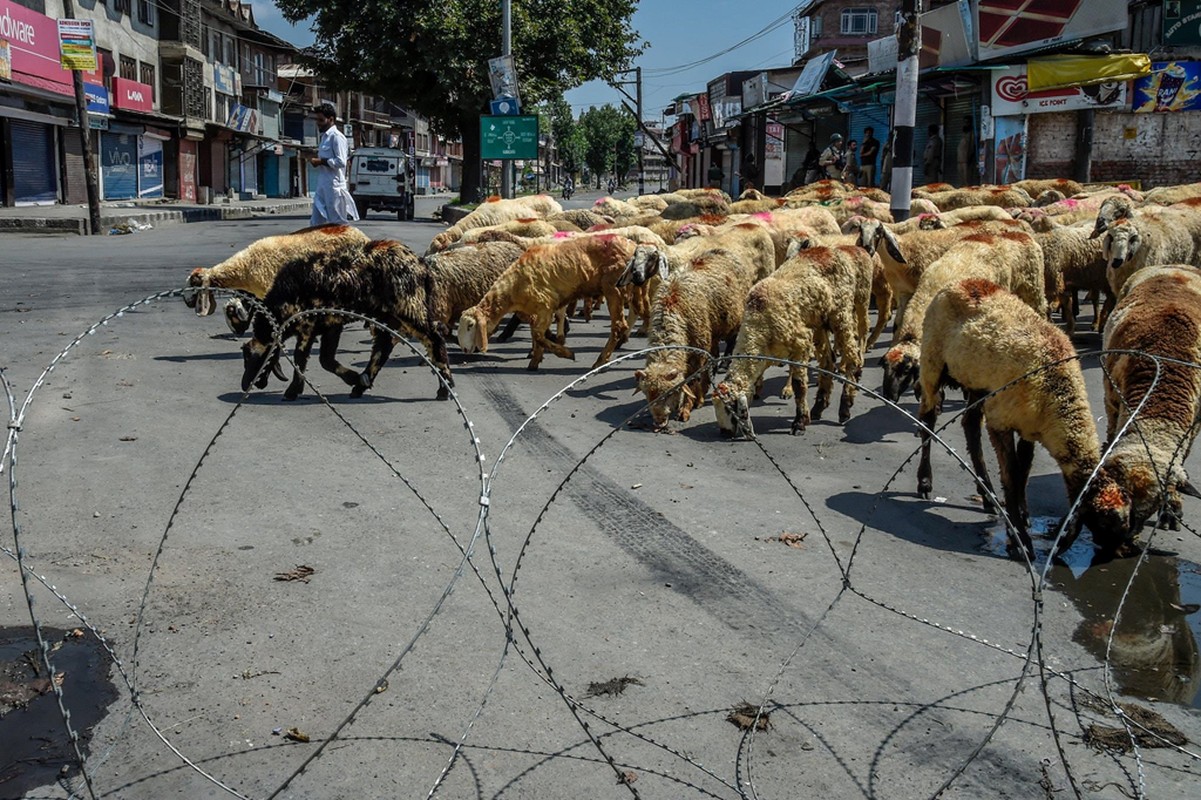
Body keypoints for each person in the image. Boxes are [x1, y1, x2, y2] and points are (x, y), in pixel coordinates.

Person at [309, 102, 358, 226]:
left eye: (321, 120)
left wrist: (321, 161)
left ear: (331, 119)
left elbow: (341, 161)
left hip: (334, 187)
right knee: (316, 223)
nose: (318, 123)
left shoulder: (337, 137)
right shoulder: (324, 137)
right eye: (317, 120)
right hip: (322, 185)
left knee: (337, 224)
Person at [957, 118, 975, 187]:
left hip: (966, 161)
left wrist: (969, 159)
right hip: (960, 160)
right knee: (962, 181)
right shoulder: (964, 135)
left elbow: (971, 148)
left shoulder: (971, 135)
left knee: (967, 181)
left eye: (967, 123)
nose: (965, 124)